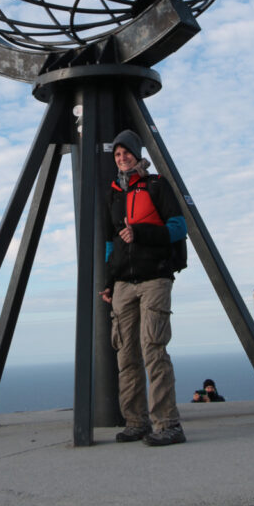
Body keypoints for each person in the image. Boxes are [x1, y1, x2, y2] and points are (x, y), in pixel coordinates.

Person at [99, 129, 187, 447]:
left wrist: (142, 233)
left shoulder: (156, 185)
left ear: (137, 155)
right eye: (117, 155)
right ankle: (136, 421)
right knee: (127, 355)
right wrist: (109, 282)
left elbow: (178, 227)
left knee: (153, 350)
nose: (122, 159)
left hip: (154, 279)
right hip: (124, 283)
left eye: (127, 153)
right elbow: (112, 244)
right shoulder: (114, 194)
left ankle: (168, 424)